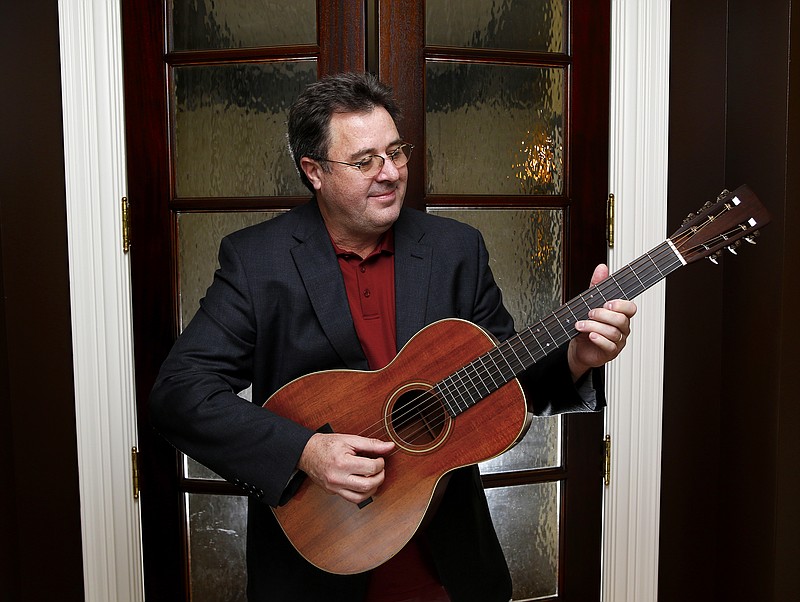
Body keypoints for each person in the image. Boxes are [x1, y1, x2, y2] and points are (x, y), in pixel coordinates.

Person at [149, 71, 637, 602]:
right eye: (364, 161)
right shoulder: (257, 262)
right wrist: (305, 451)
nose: (390, 174)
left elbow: (504, 381)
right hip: (319, 557)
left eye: (396, 152)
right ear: (313, 171)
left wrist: (576, 358)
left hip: (448, 565)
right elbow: (179, 394)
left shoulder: (456, 250)